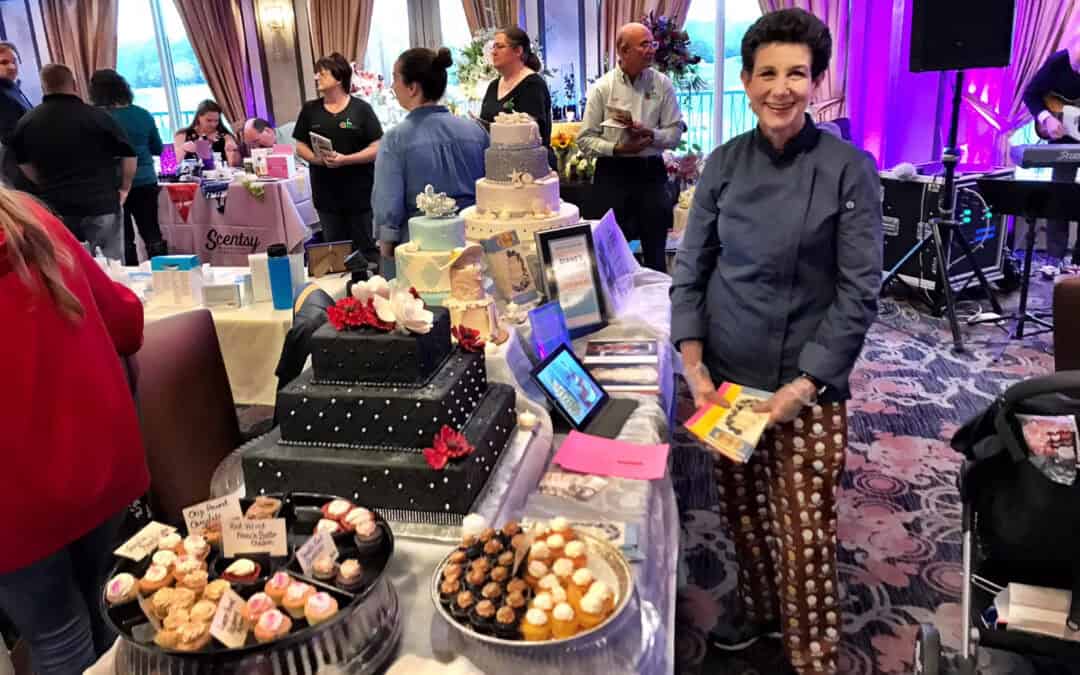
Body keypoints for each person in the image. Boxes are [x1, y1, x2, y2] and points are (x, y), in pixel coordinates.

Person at [669, 9, 882, 674]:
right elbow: (692, 267)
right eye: (768, 73)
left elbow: (859, 291)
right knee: (743, 514)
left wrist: (804, 384)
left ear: (817, 82)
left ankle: (813, 652)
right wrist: (693, 361)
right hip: (729, 379)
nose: (781, 88)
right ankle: (759, 611)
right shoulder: (725, 163)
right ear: (746, 79)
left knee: (805, 531)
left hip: (805, 385)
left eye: (797, 73)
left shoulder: (850, 169)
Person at [0, 186, 148, 674]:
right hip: (97, 461)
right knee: (110, 611)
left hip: (14, 500)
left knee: (56, 635)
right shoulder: (33, 219)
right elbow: (125, 321)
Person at [577, 22, 685, 272]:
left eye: (652, 43)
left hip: (651, 174)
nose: (651, 49)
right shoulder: (602, 88)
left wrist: (653, 134)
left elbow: (675, 132)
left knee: (656, 252)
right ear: (623, 50)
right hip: (612, 175)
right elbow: (585, 139)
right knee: (613, 257)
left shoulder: (662, 84)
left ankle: (660, 308)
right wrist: (618, 149)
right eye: (644, 44)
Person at [372, 47, 488, 278]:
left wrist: (386, 250)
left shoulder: (395, 139)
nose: (393, 86)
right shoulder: (475, 130)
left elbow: (388, 203)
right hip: (474, 245)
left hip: (421, 253)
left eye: (395, 78)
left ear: (413, 87)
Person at [11, 64, 136, 260]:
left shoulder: (28, 121)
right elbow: (129, 154)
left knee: (71, 267)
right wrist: (124, 188)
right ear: (75, 84)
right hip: (101, 201)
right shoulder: (98, 116)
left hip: (57, 205)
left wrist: (43, 183)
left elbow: (23, 163)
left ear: (44, 87)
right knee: (112, 268)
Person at [293, 53, 383, 258]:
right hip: (326, 195)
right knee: (335, 252)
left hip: (359, 194)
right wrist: (317, 160)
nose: (317, 78)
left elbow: (377, 146)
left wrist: (346, 159)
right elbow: (300, 146)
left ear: (339, 77)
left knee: (366, 249)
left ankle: (370, 287)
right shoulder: (310, 110)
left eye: (322, 74)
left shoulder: (361, 109)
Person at [89, 68, 167, 264]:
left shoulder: (98, 118)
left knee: (124, 237)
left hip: (113, 183)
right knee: (152, 232)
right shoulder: (142, 114)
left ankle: (131, 277)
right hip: (146, 180)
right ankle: (165, 274)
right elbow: (157, 148)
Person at [1023, 39, 1080, 271]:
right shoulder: (1058, 61)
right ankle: (1054, 259)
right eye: (1076, 66)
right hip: (1064, 140)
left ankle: (1078, 261)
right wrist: (1046, 118)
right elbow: (1031, 94)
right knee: (1060, 193)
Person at [479, 27, 553, 165]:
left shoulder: (533, 85)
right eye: (493, 47)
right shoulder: (493, 86)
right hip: (499, 164)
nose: (493, 52)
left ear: (518, 51)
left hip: (529, 167)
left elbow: (528, 134)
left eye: (500, 47)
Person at [0, 42, 32, 190]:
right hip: (18, 164)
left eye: (14, 61)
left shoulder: (13, 89)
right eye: (4, 62)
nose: (12, 67)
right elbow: (9, 135)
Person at [173, 99, 240, 168]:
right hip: (189, 177)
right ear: (199, 117)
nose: (213, 124)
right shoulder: (183, 134)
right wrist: (183, 149)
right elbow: (173, 164)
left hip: (220, 176)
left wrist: (233, 151)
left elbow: (235, 165)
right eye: (209, 120)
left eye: (216, 121)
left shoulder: (224, 136)